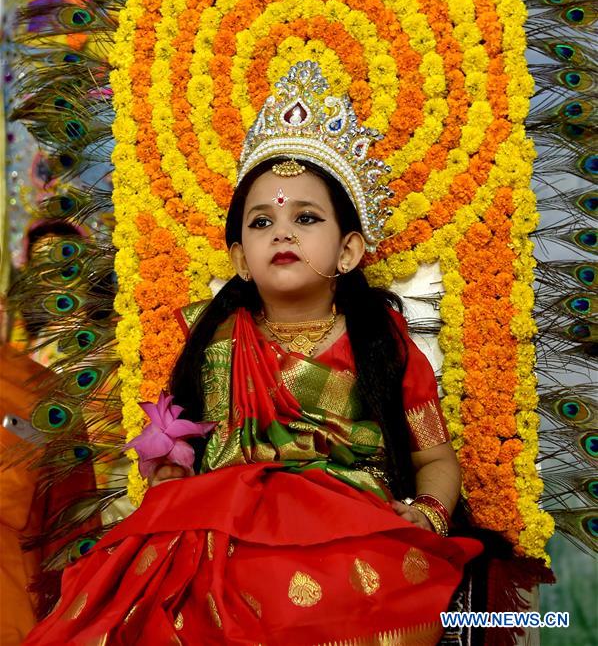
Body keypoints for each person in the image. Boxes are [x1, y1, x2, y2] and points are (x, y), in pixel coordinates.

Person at [23, 61, 481, 644]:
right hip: (227, 527)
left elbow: (435, 460)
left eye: (306, 218)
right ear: (241, 259)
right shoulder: (215, 342)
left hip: (352, 527)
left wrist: (431, 514)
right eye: (262, 221)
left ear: (348, 251)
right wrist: (167, 471)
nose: (282, 232)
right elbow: (186, 454)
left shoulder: (377, 341)